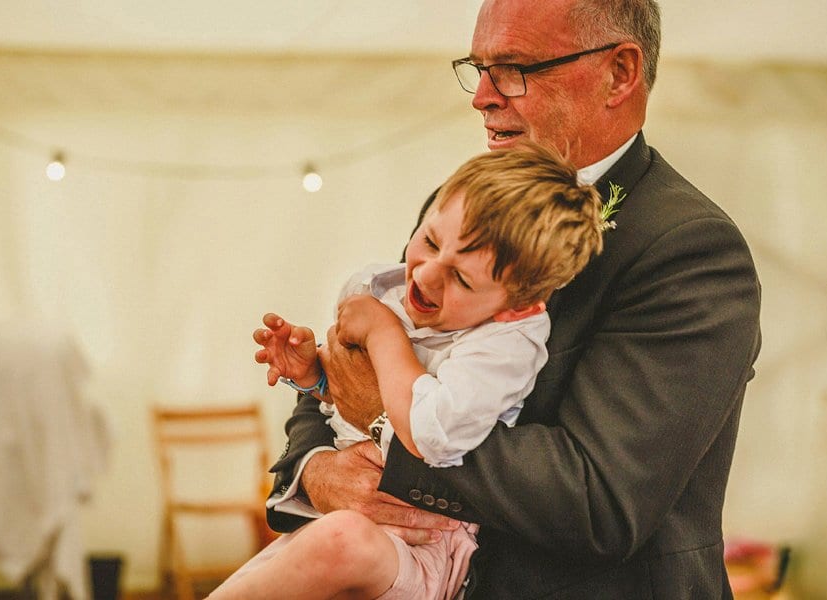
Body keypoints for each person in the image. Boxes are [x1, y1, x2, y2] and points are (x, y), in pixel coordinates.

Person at [264, 0, 762, 598]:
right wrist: (316, 469)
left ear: (619, 73)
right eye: (478, 69)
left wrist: (388, 424)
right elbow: (357, 359)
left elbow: (598, 498)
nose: (482, 96)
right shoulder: (470, 202)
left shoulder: (689, 248)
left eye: (513, 68)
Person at [209, 143, 604, 599]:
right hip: (339, 523)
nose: (427, 275)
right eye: (431, 241)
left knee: (342, 542)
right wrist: (317, 374)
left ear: (518, 307)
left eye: (462, 279)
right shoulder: (384, 287)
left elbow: (430, 433)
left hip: (420, 545)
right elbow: (353, 398)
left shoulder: (505, 344)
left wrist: (382, 334)